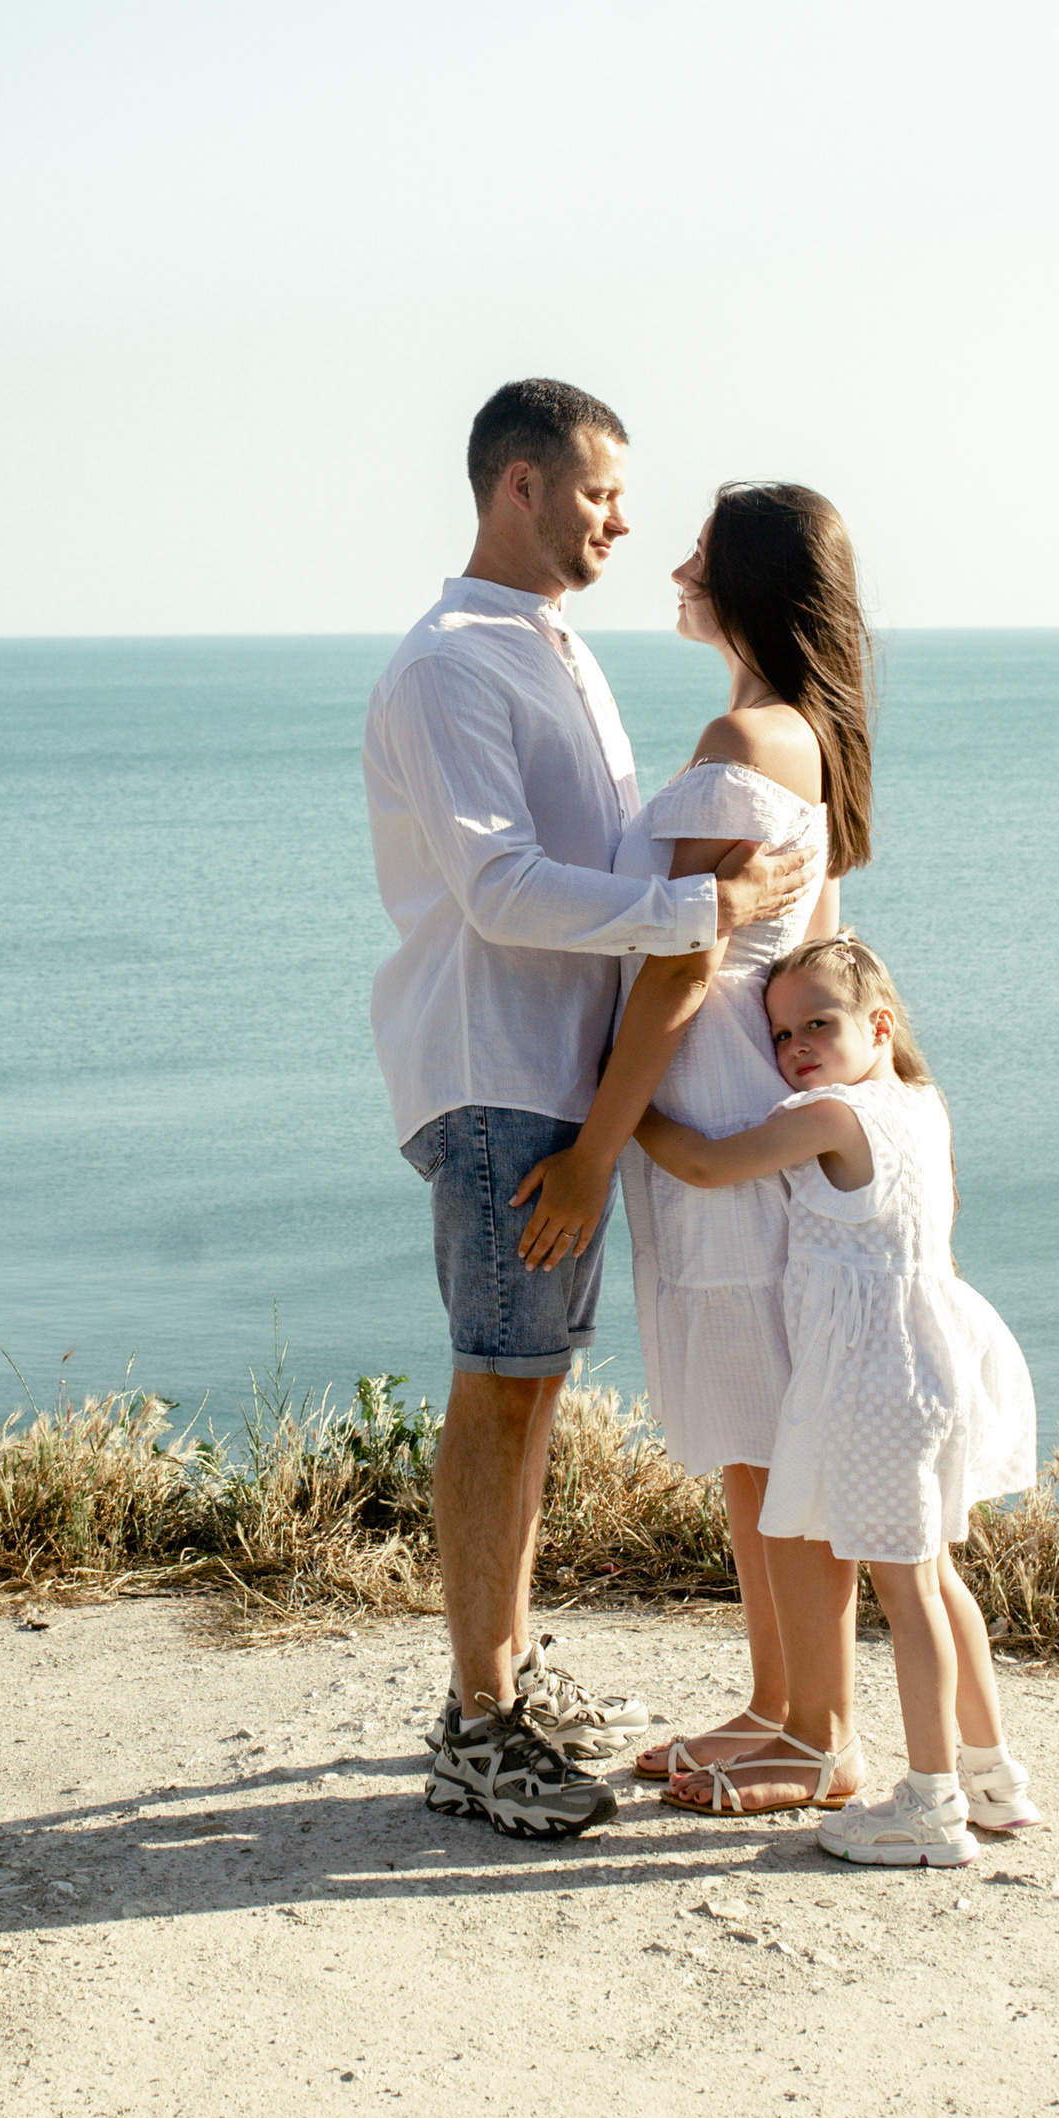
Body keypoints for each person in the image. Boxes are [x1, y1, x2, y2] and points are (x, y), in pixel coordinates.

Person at [365, 381, 816, 1841]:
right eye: (603, 492)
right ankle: (475, 1726)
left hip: (559, 1087)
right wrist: (704, 904)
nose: (623, 519)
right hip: (496, 1069)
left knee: (534, 1383)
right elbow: (497, 889)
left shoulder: (557, 653)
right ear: (520, 487)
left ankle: (501, 1683)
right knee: (501, 1380)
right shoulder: (450, 668)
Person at [511, 481, 870, 1814]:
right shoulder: (798, 735)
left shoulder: (747, 733)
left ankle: (822, 1735)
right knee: (747, 1426)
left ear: (754, 581)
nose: (673, 565)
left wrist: (600, 1149)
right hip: (727, 1110)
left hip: (708, 1110)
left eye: (702, 554)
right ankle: (780, 1704)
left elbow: (680, 966)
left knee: (773, 1435)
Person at [633, 931, 1043, 1867]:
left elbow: (702, 1165)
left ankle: (931, 1809)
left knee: (905, 1592)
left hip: (880, 1377)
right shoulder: (922, 1107)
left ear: (879, 1024)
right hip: (940, 1356)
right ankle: (995, 1779)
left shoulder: (831, 1116)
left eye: (818, 1024)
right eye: (779, 1035)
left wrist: (620, 1109)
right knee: (936, 1575)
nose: (796, 1050)